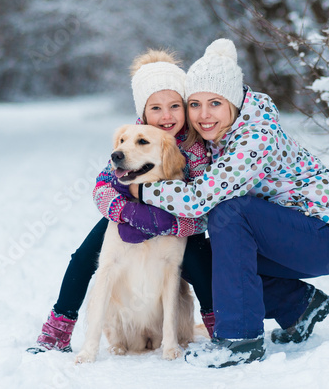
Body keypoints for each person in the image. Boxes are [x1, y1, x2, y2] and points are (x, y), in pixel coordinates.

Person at [128, 39, 329, 368]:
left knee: (229, 210)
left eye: (215, 103)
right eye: (194, 104)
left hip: (326, 235)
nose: (203, 115)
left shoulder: (255, 137)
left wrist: (142, 192)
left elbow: (199, 199)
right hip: (286, 237)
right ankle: (298, 306)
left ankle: (239, 340)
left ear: (233, 102)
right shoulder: (218, 136)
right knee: (199, 257)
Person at [27, 49, 214, 354]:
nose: (165, 116)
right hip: (130, 214)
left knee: (198, 261)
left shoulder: (198, 147)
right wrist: (125, 211)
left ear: (185, 106)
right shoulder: (133, 137)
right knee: (85, 256)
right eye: (156, 108)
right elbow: (103, 185)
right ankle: (58, 330)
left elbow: (207, 202)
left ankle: (217, 325)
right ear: (143, 111)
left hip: (179, 221)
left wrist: (178, 223)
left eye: (174, 106)